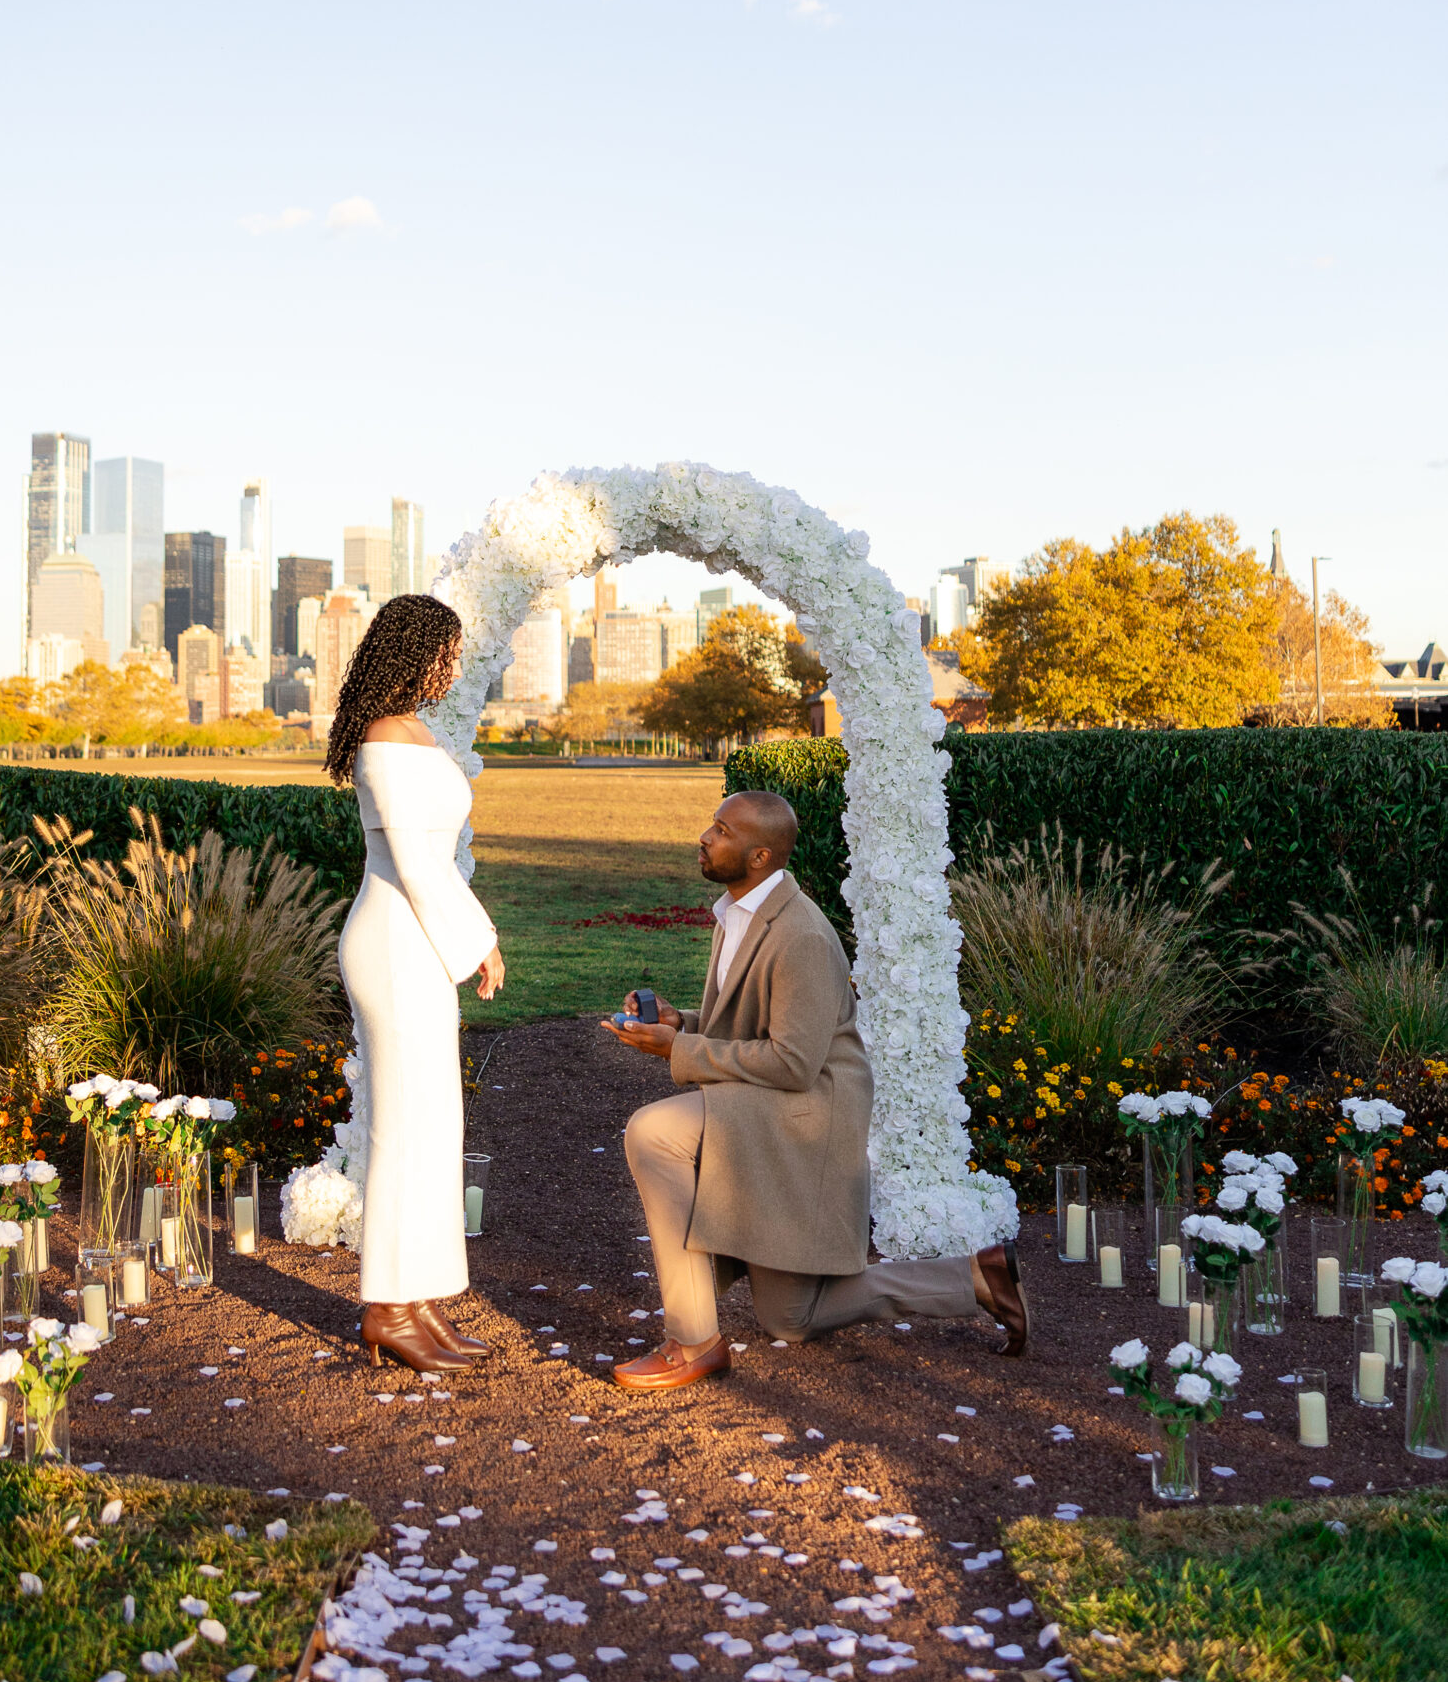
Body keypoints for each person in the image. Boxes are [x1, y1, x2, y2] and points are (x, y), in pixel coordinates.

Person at [606, 788, 1027, 1393]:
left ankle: (692, 1339)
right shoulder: (738, 913)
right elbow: (758, 1030)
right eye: (713, 825)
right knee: (792, 1317)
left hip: (808, 1111)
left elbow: (794, 1062)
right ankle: (977, 1278)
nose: (705, 836)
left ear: (760, 857)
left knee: (654, 1131)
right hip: (774, 1098)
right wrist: (683, 1025)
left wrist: (680, 1050)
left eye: (722, 831)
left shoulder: (799, 935)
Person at [327, 594, 505, 1373]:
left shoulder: (413, 732)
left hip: (419, 939)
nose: (453, 667)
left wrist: (469, 937)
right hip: (395, 944)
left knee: (434, 1124)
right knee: (404, 1128)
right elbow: (412, 862)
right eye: (447, 653)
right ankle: (386, 1308)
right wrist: (479, 942)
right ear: (414, 653)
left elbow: (433, 858)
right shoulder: (383, 740)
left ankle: (421, 1297)